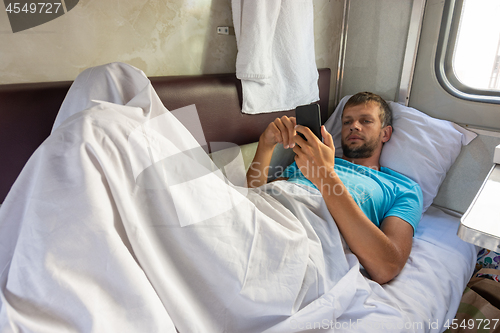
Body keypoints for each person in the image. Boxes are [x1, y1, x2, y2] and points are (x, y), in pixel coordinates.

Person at [246, 92, 423, 284]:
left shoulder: (403, 188)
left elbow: (387, 266)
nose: (354, 126)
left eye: (366, 121)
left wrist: (324, 175)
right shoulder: (309, 159)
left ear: (385, 133)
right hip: (258, 217)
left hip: (303, 234)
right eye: (347, 122)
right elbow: (256, 196)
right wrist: (265, 145)